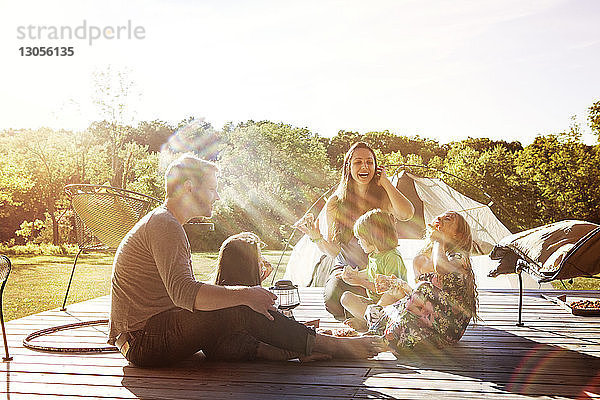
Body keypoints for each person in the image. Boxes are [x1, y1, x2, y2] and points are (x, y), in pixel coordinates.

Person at [108, 154, 385, 367]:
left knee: (237, 297)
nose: (217, 196)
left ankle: (284, 346)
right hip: (144, 342)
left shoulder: (166, 223)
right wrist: (246, 295)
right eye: (213, 189)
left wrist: (246, 293)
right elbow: (184, 294)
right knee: (240, 303)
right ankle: (327, 345)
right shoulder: (164, 224)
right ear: (190, 187)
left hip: (152, 334)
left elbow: (182, 291)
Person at [295, 142, 414, 320]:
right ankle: (371, 314)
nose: (365, 166)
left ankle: (369, 314)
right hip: (348, 269)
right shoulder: (336, 203)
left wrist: (386, 183)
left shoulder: (383, 196)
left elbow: (407, 214)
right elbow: (334, 250)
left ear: (376, 166)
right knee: (332, 300)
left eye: (369, 162)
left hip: (379, 268)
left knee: (386, 293)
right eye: (358, 162)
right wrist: (315, 236)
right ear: (348, 167)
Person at [368, 211, 479, 351]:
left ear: (458, 235)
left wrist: (439, 240)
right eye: (439, 216)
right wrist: (400, 287)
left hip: (449, 327)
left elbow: (440, 270)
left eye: (448, 219)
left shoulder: (459, 256)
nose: (439, 218)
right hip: (426, 323)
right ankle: (381, 337)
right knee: (374, 311)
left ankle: (381, 337)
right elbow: (417, 298)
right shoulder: (422, 258)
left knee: (424, 289)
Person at [338, 209, 410, 331]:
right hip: (375, 302)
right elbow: (370, 272)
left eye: (361, 238)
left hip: (394, 303)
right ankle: (370, 321)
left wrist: (360, 282)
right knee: (346, 298)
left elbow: (389, 291)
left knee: (387, 298)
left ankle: (373, 323)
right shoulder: (374, 254)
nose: (359, 242)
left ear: (373, 237)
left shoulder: (392, 257)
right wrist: (355, 275)